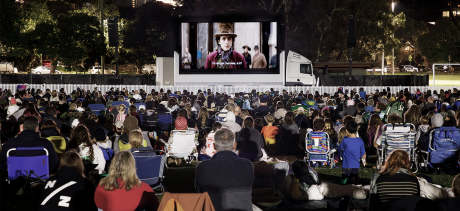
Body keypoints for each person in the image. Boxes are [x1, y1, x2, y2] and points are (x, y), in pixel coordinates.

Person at [195, 128, 254, 211]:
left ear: (214, 146)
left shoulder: (203, 167)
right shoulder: (247, 164)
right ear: (234, 145)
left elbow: (199, 191)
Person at [95, 151, 160, 211]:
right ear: (132, 167)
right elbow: (157, 208)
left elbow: (98, 206)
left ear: (113, 166)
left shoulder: (102, 186)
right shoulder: (144, 189)